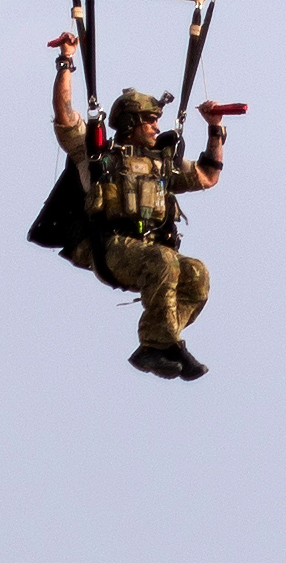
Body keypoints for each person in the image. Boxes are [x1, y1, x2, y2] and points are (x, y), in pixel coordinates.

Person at [46, 34, 229, 379]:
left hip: (148, 252)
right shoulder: (99, 156)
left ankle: (160, 344)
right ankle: (159, 344)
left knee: (197, 276)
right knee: (163, 261)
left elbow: (207, 175)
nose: (157, 127)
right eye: (150, 120)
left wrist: (215, 131)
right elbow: (65, 117)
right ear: (131, 124)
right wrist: (66, 62)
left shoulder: (162, 164)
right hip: (108, 247)